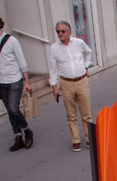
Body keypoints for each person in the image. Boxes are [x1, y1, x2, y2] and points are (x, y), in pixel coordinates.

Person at [0, 12, 34, 152]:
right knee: (10, 112)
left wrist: (27, 81)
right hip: (0, 81)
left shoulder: (11, 41)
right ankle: (18, 137)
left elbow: (21, 61)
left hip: (14, 79)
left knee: (13, 108)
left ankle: (27, 130)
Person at [48, 21, 93, 153]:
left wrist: (86, 66)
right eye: (58, 31)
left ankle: (89, 138)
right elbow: (52, 68)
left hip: (81, 81)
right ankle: (76, 141)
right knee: (71, 115)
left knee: (86, 114)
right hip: (65, 83)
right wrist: (54, 87)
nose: (60, 34)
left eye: (62, 31)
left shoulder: (78, 43)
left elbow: (88, 52)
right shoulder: (54, 48)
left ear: (69, 32)